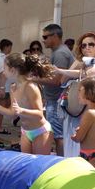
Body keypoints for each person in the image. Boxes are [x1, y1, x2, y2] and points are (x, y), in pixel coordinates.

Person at [0, 53, 54, 155]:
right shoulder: (13, 88)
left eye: (4, 68)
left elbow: (39, 114)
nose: (3, 72)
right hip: (25, 131)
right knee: (27, 163)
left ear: (13, 70)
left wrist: (22, 110)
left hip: (40, 131)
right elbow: (12, 113)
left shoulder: (30, 86)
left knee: (39, 165)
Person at [55, 31, 95, 157]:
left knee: (89, 146)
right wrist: (77, 63)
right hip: (73, 112)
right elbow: (62, 80)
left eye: (91, 44)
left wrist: (63, 70)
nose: (87, 48)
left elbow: (88, 73)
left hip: (92, 112)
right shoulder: (80, 63)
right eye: (83, 46)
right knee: (71, 144)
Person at [32, 24, 74, 156]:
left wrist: (33, 79)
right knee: (59, 134)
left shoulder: (60, 53)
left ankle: (62, 164)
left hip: (57, 101)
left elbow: (57, 81)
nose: (43, 40)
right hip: (56, 100)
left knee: (58, 136)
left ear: (55, 36)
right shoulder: (59, 52)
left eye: (45, 36)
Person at [71, 79, 95, 170]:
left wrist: (74, 136)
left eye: (80, 90)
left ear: (89, 92)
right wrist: (93, 132)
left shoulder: (89, 113)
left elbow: (78, 138)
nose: (77, 94)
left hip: (89, 154)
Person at [0, 39, 13, 134]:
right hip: (4, 86)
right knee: (2, 107)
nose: (10, 49)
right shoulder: (6, 58)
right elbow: (5, 73)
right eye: (10, 47)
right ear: (6, 47)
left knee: (2, 106)